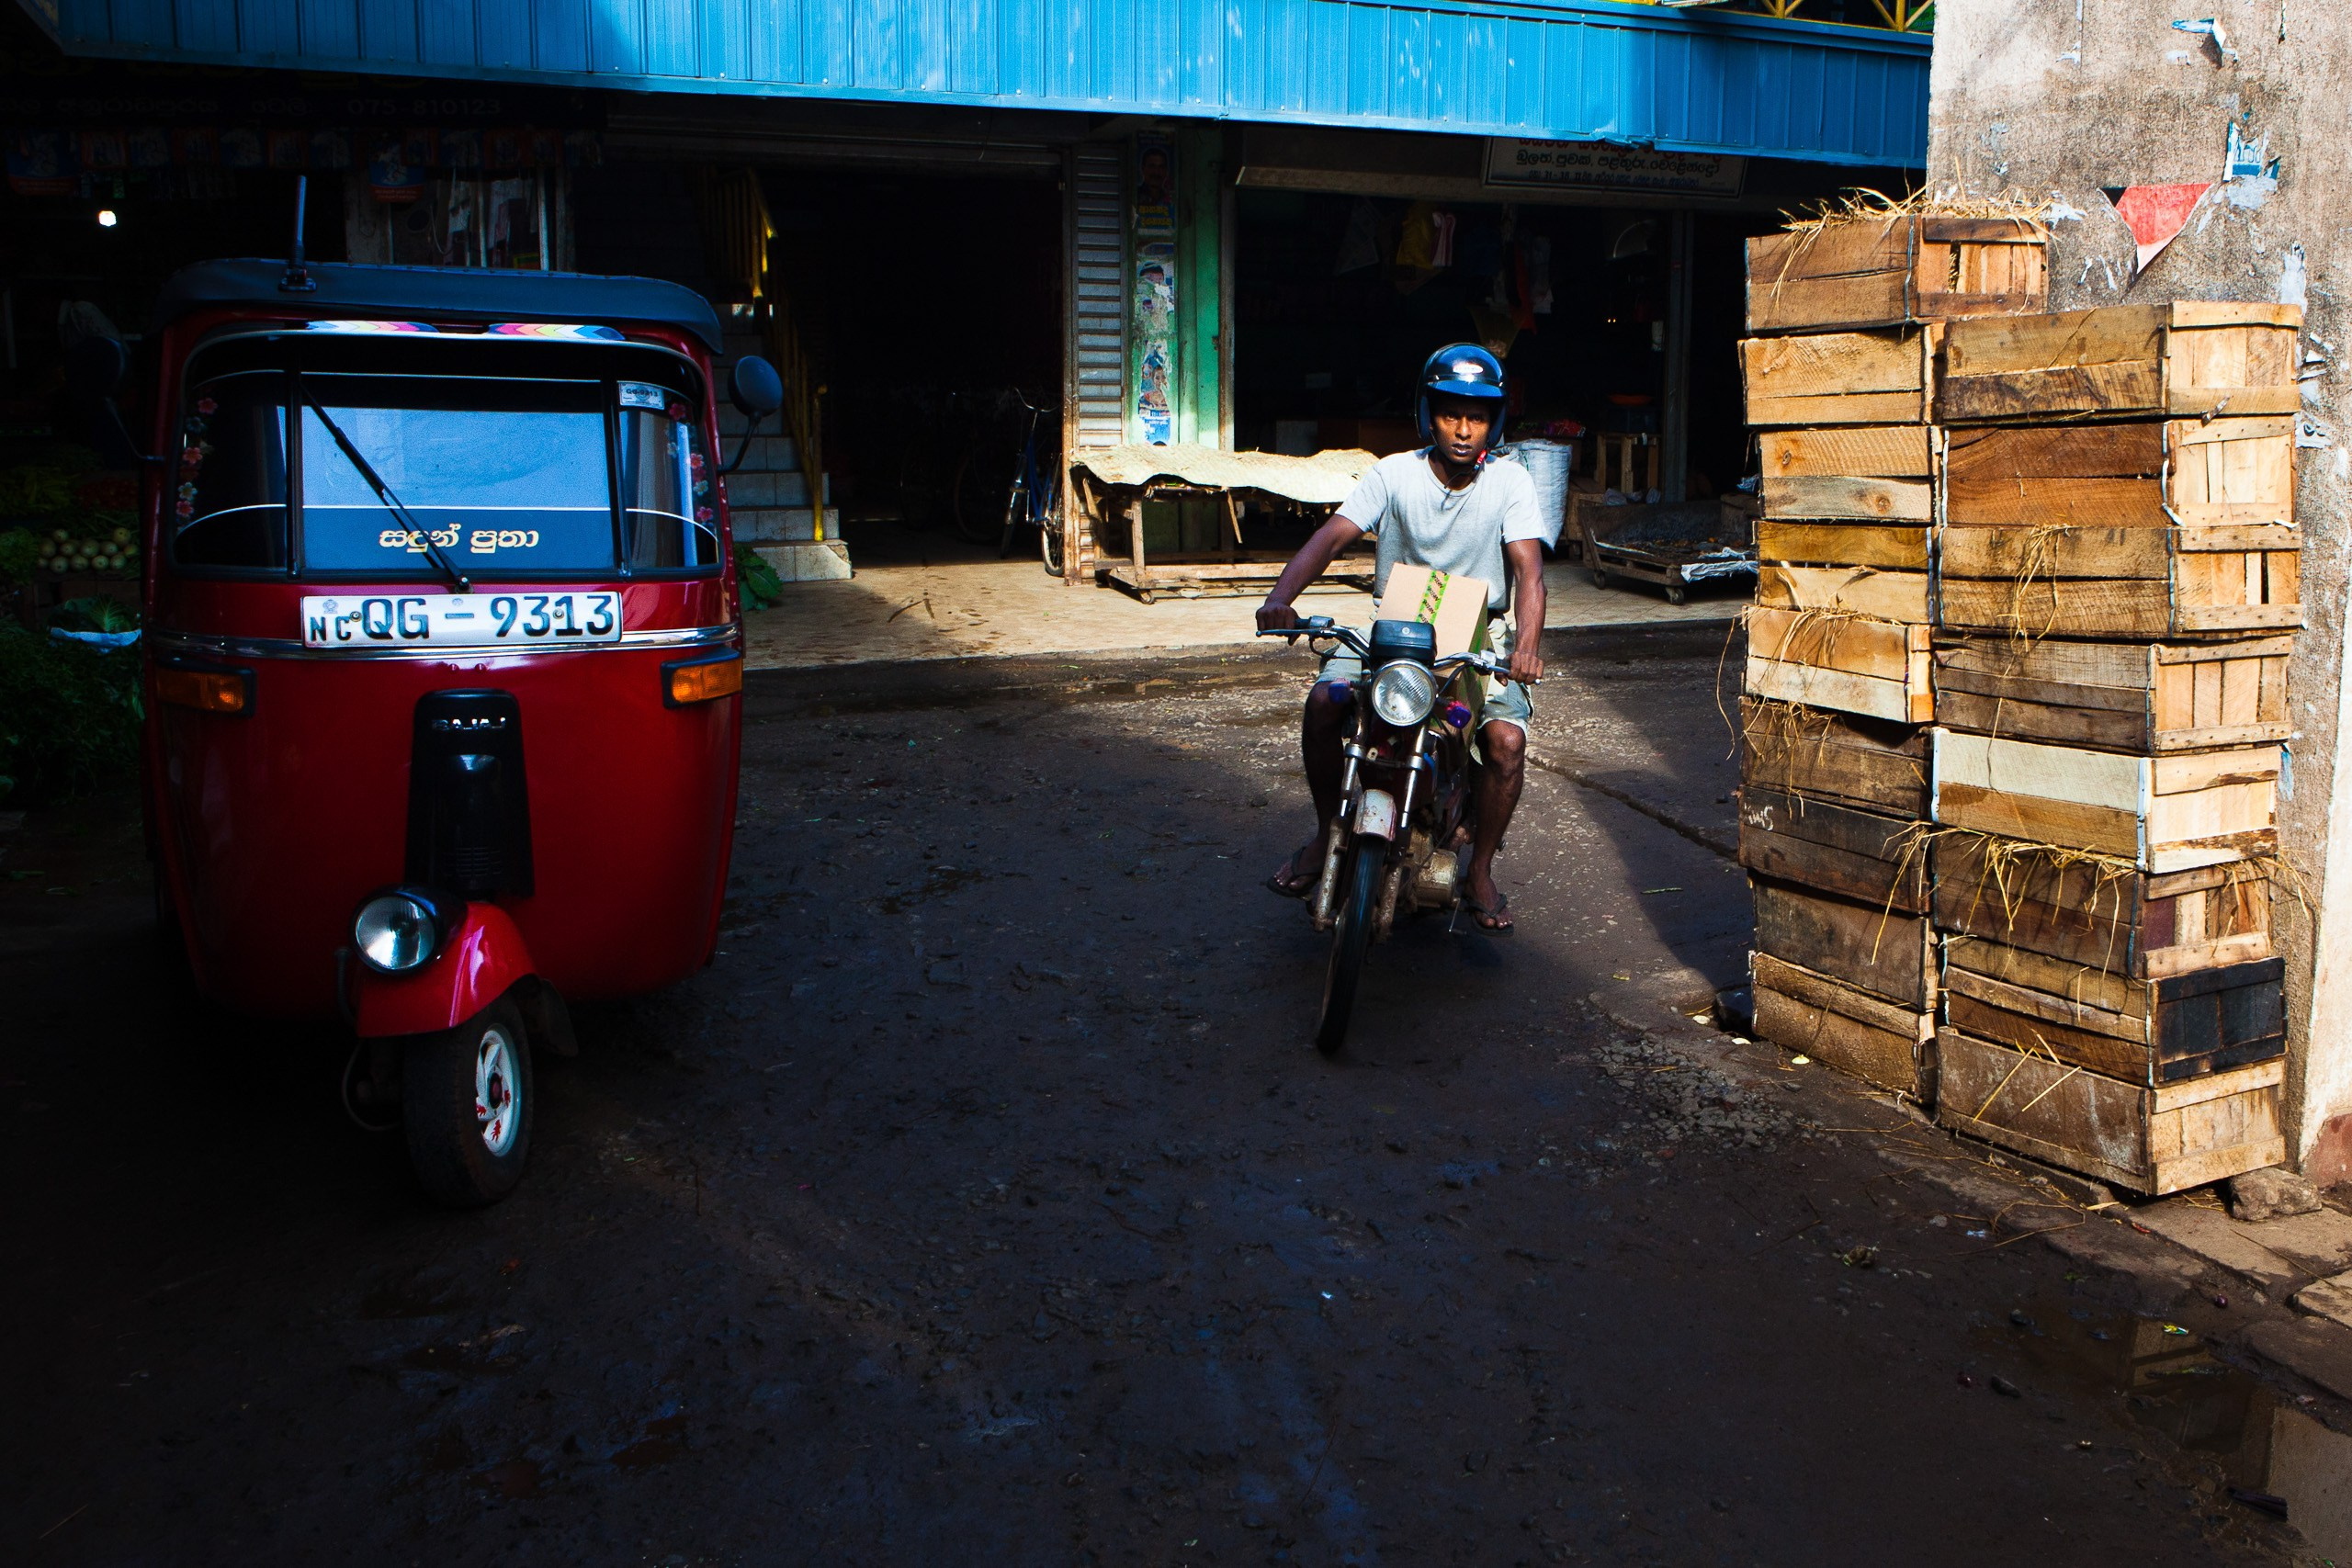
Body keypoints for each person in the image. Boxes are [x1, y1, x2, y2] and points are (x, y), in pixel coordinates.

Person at [1255, 344, 1549, 932]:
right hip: (1391, 629)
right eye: (1449, 413)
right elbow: (1333, 537)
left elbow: (1529, 572)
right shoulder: (1393, 474)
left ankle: (1480, 870)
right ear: (1427, 414)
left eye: (1477, 416)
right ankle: (1323, 835)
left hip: (1476, 635)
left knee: (1506, 744)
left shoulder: (1511, 482)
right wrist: (1280, 598)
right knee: (1325, 702)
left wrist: (1526, 647)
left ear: (1494, 421)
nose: (1463, 430)